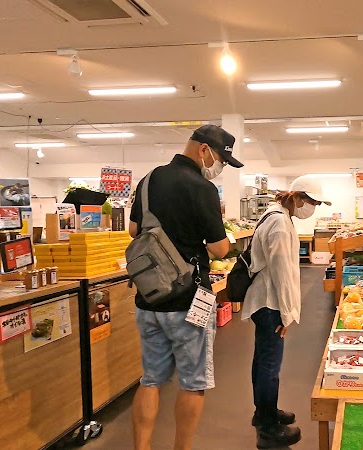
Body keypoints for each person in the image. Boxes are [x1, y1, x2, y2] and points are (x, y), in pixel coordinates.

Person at [128, 124, 243, 450]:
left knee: (150, 380)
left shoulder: (149, 179)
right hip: (190, 300)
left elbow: (134, 230)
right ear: (204, 150)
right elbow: (220, 249)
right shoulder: (201, 188)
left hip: (149, 298)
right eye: (220, 159)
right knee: (193, 384)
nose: (218, 168)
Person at [243, 176, 332, 449]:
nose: (312, 208)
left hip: (267, 301)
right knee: (270, 366)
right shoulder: (280, 224)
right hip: (271, 303)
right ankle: (269, 430)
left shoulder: (278, 215)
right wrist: (286, 314)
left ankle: (264, 412)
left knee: (263, 361)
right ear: (296, 197)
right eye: (311, 202)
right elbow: (282, 274)